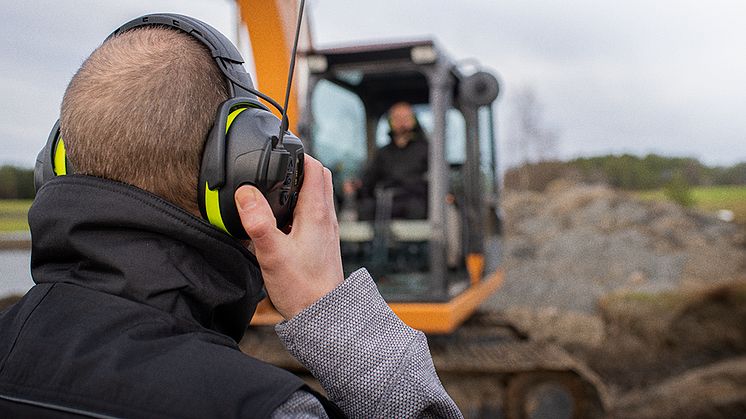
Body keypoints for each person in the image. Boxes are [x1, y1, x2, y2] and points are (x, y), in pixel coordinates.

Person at [0, 21, 462, 419]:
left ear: (56, 162)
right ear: (250, 170)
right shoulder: (271, 409)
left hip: (411, 204)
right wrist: (334, 311)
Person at [357, 102, 429, 220]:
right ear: (390, 122)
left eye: (405, 118)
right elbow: (369, 180)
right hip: (388, 201)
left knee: (416, 208)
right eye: (397, 118)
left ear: (414, 120)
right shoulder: (383, 152)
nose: (401, 122)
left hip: (415, 199)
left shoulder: (426, 150)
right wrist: (357, 185)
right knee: (366, 209)